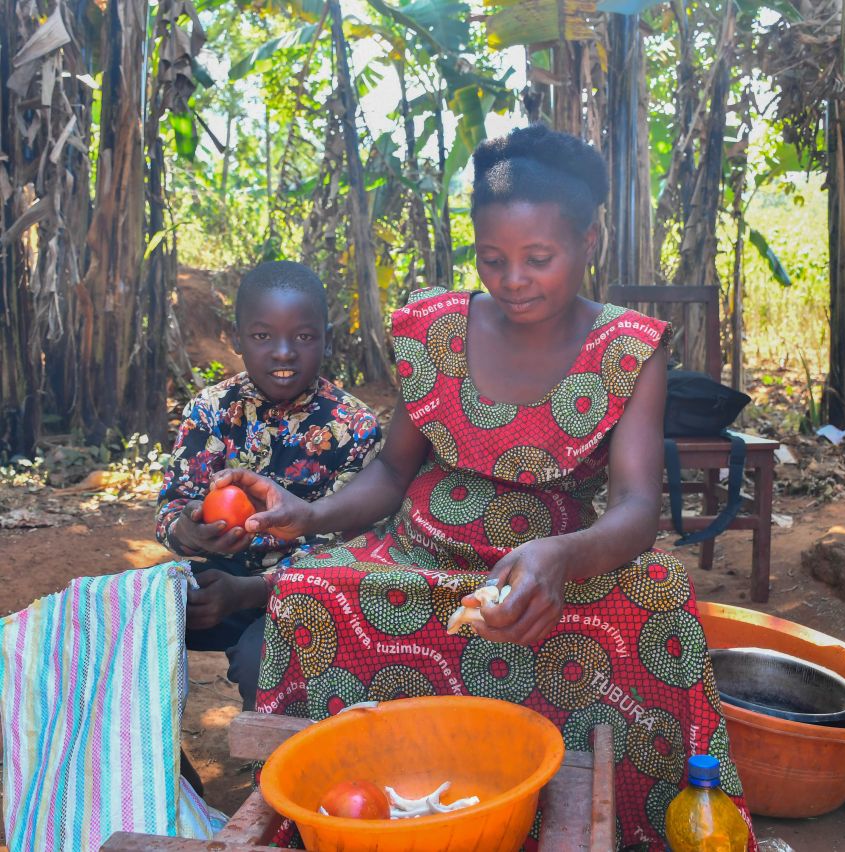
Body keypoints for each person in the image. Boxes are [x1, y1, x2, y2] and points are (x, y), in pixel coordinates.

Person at [215, 127, 755, 850]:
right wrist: (308, 513)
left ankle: (641, 819)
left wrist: (561, 558)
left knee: (660, 594)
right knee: (308, 589)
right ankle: (343, 804)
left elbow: (633, 508)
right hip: (418, 561)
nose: (513, 280)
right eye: (492, 259)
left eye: (539, 259)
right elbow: (389, 474)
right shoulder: (436, 330)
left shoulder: (627, 348)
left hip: (555, 573)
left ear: (589, 241)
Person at [156, 260, 382, 709]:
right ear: (238, 339)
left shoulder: (354, 425)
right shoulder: (211, 411)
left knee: (261, 660)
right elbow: (172, 509)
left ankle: (277, 768)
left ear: (325, 337)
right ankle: (161, 772)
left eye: (303, 336)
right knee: (129, 619)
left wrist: (250, 592)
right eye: (262, 337)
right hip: (221, 577)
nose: (284, 352)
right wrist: (188, 531)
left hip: (311, 597)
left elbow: (352, 556)